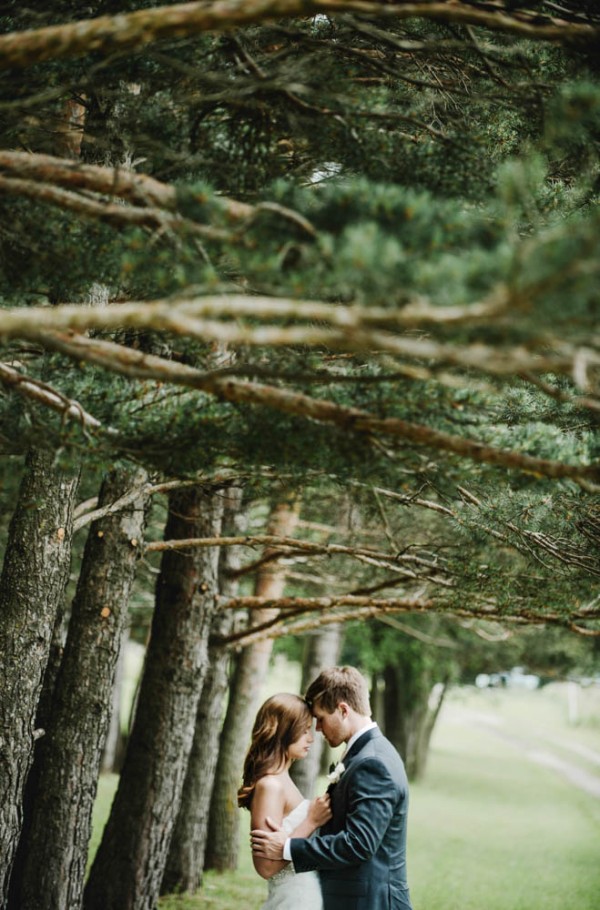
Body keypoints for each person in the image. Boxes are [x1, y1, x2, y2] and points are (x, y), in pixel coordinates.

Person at [251, 667, 413, 910]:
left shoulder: (373, 762)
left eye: (321, 719)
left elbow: (359, 844)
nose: (317, 730)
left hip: (371, 903)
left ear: (343, 710)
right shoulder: (364, 755)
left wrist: (286, 847)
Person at [238, 693, 332, 910]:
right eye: (304, 729)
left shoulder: (283, 778)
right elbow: (265, 868)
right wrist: (310, 822)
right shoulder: (270, 786)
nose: (310, 738)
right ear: (282, 730)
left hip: (308, 893)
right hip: (294, 899)